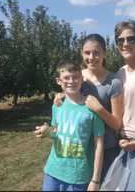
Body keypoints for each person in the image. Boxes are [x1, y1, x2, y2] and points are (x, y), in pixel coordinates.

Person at [54, 34, 124, 182]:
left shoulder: (113, 83)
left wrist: (99, 109)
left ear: (104, 53)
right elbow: (70, 93)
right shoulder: (78, 78)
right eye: (87, 52)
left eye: (96, 52)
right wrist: (61, 95)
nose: (91, 57)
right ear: (81, 53)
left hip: (106, 150)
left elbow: (117, 124)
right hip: (80, 150)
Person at [34, 59, 105, 191]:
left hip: (78, 176)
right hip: (53, 171)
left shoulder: (92, 108)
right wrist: (46, 131)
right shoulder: (57, 105)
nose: (71, 81)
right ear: (58, 81)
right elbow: (56, 131)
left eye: (75, 77)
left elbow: (99, 144)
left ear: (82, 79)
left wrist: (95, 179)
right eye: (66, 78)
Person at [101, 20, 135, 191]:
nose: (125, 44)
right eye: (120, 40)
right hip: (122, 145)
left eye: (131, 39)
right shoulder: (120, 73)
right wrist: (65, 94)